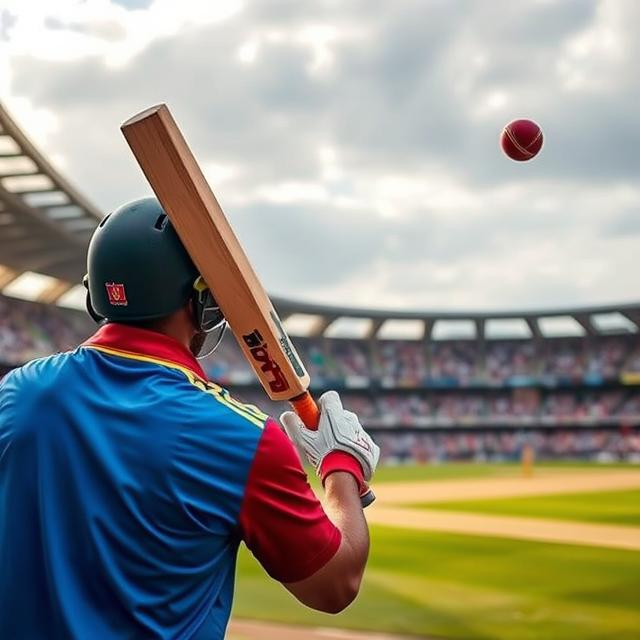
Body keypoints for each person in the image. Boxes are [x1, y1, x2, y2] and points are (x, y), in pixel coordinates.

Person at [0, 197, 379, 640]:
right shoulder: (240, 435)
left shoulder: (16, 392)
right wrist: (341, 466)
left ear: (95, 294)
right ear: (202, 303)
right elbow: (335, 584)